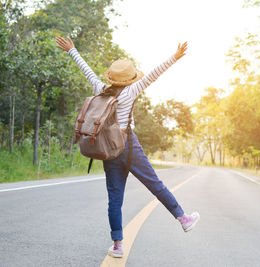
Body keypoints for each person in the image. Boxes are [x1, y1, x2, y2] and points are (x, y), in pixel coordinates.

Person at [55, 36, 200, 258]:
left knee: (115, 199)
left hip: (108, 150)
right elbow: (154, 74)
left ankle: (117, 245)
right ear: (129, 79)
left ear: (111, 78)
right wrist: (175, 57)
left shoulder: (100, 87)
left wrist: (72, 50)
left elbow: (86, 70)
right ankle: (183, 218)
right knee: (155, 184)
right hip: (128, 146)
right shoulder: (131, 91)